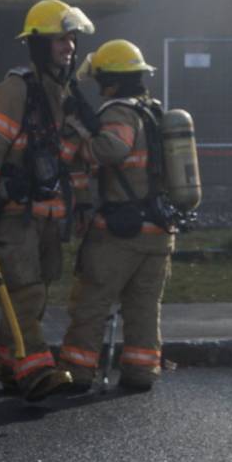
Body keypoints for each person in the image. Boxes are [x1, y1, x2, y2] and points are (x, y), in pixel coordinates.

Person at [0, 0, 94, 398]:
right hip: (12, 212)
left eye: (72, 39)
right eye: (60, 39)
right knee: (26, 289)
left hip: (49, 212)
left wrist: (82, 202)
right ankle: (36, 368)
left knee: (35, 290)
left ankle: (8, 361)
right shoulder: (14, 90)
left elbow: (70, 155)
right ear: (38, 44)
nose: (69, 47)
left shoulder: (65, 94)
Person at [57, 40, 176, 393]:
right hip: (159, 230)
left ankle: (77, 373)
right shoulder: (153, 111)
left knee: (92, 301)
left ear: (111, 80)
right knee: (143, 307)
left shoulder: (120, 112)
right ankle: (141, 371)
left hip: (122, 233)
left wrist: (81, 140)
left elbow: (113, 149)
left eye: (101, 80)